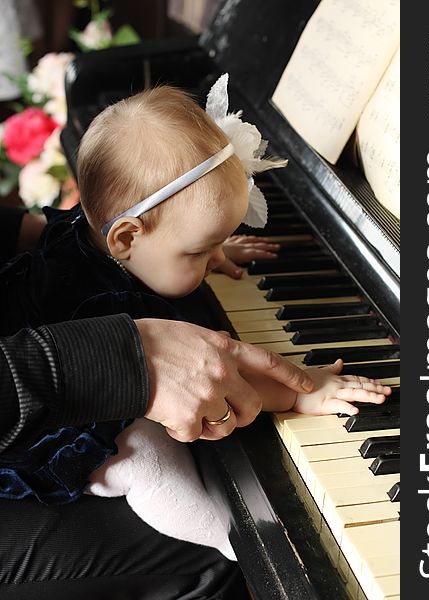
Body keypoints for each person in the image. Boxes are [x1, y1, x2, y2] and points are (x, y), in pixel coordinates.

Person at [0, 75, 391, 560]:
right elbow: (224, 375)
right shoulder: (106, 303)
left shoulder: (81, 231)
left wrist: (209, 248)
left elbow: (169, 233)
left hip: (35, 364)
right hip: (42, 430)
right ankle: (237, 547)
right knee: (147, 461)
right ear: (126, 238)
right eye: (199, 251)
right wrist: (304, 389)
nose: (210, 262)